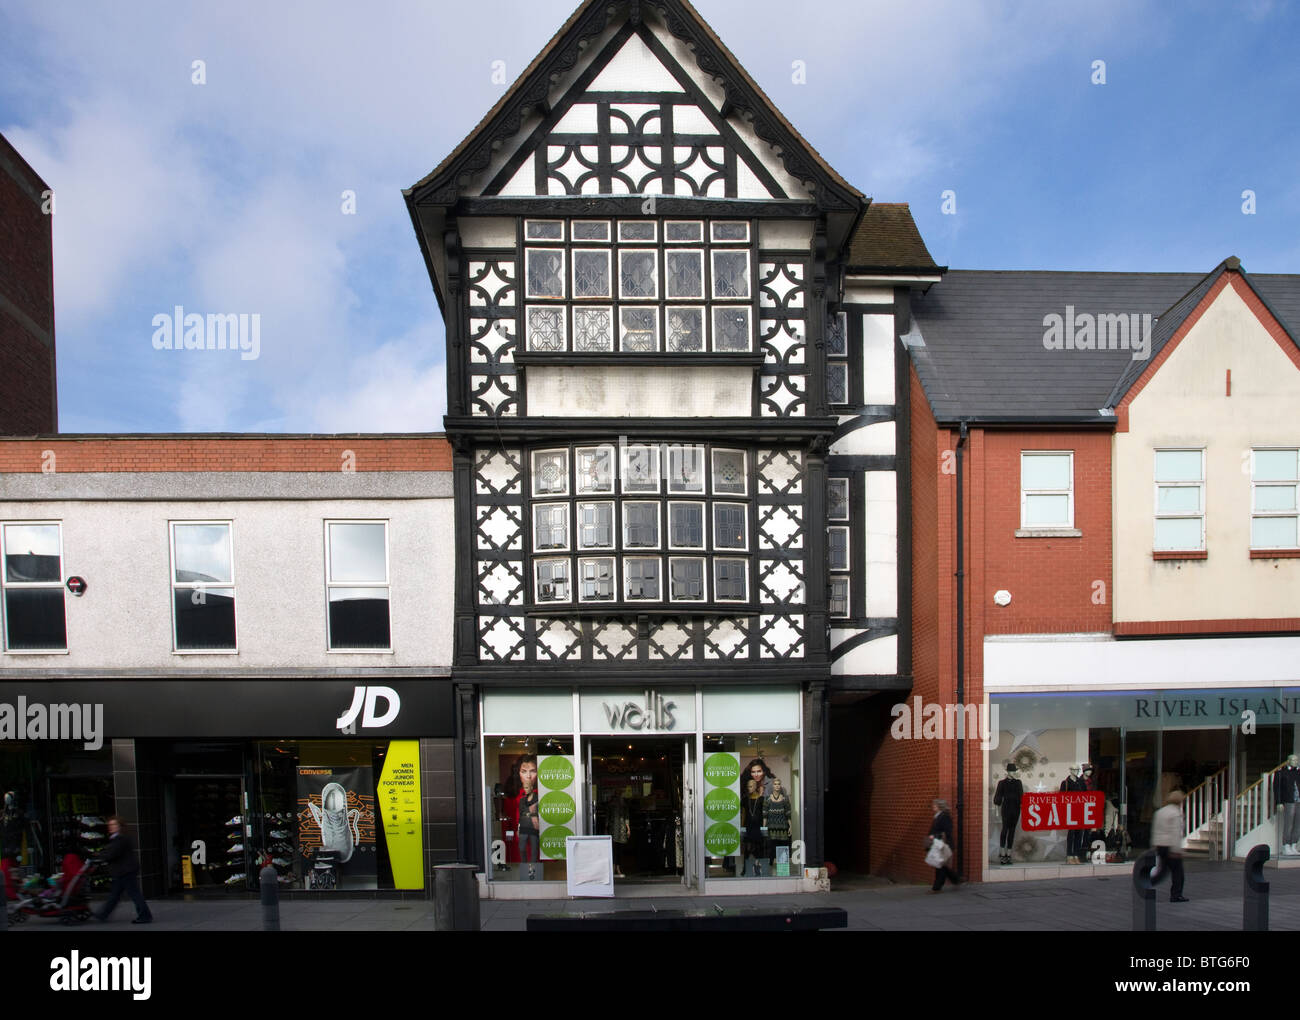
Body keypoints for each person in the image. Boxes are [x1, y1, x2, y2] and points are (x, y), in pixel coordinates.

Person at [93, 816, 152, 924]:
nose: (111, 827)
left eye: (114, 825)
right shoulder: (117, 838)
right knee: (115, 895)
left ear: (119, 826)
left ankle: (145, 916)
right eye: (110, 825)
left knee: (133, 894)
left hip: (125, 871)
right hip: (122, 871)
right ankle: (103, 914)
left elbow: (112, 853)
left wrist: (99, 855)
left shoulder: (120, 838)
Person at [1150, 789, 1189, 902]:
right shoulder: (1176, 813)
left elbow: (1155, 830)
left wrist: (1155, 844)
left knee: (1162, 871)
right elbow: (1176, 832)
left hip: (1160, 845)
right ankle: (1176, 895)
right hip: (1170, 846)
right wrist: (1176, 849)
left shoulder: (1160, 812)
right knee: (1178, 872)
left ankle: (1146, 883)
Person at [928, 798, 962, 892]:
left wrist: (935, 836)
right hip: (938, 843)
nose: (933, 806)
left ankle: (937, 887)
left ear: (939, 806)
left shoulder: (945, 816)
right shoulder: (938, 816)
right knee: (941, 865)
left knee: (940, 866)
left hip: (943, 844)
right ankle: (955, 879)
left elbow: (948, 831)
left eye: (934, 805)